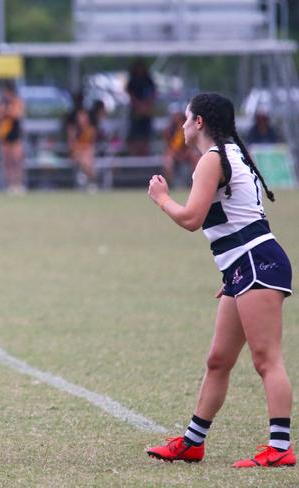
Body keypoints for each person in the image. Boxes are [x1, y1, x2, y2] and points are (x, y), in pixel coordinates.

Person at [146, 92, 294, 468]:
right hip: (245, 267)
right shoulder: (226, 154)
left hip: (256, 264)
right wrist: (233, 276)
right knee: (218, 360)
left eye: (185, 118)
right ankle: (193, 442)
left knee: (266, 360)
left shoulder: (213, 159)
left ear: (198, 123)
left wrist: (162, 198)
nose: (181, 125)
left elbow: (192, 219)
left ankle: (280, 448)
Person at [0, 81, 25, 194]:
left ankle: (18, 184)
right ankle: (10, 185)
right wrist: (5, 111)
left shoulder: (17, 101)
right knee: (7, 161)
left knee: (17, 161)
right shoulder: (1, 103)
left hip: (15, 136)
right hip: (5, 136)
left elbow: (17, 114)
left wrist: (7, 111)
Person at [65, 93, 98, 189]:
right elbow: (72, 145)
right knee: (85, 157)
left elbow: (90, 143)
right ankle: (91, 180)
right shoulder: (73, 129)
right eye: (80, 116)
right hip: (76, 153)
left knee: (87, 155)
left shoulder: (90, 129)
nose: (82, 119)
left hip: (86, 153)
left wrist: (83, 149)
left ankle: (86, 179)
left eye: (84, 116)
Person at [161, 106, 200, 186]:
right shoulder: (168, 130)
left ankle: (197, 182)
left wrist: (185, 153)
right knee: (168, 160)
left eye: (178, 115)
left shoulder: (187, 128)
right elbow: (169, 146)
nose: (176, 117)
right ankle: (169, 183)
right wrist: (176, 154)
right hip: (174, 152)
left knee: (195, 158)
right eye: (175, 115)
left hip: (186, 151)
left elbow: (191, 144)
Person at [126, 59, 156, 156]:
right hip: (135, 113)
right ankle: (134, 157)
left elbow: (153, 94)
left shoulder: (148, 80)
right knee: (134, 137)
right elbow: (131, 95)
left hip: (146, 112)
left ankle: (145, 156)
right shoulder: (132, 81)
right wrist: (139, 106)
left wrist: (146, 106)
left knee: (146, 137)